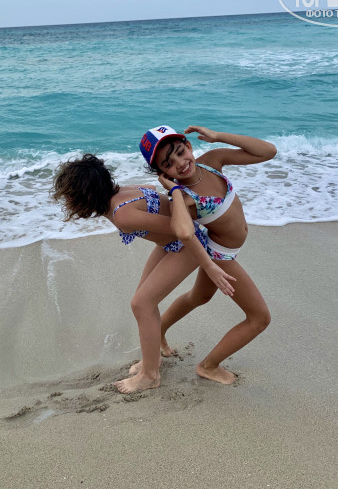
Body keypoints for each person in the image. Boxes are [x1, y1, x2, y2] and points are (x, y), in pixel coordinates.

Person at [52, 154, 237, 393]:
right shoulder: (123, 192)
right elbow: (150, 188)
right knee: (143, 303)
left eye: (69, 197)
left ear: (84, 197)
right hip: (169, 244)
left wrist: (209, 265)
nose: (67, 202)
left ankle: (150, 375)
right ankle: (154, 355)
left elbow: (181, 229)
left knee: (142, 304)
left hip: (188, 245)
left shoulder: (122, 214)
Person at [138, 125, 276, 385]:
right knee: (259, 318)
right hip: (220, 256)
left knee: (198, 297)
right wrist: (174, 191)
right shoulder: (183, 197)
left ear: (188, 145)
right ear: (162, 173)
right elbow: (183, 232)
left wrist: (218, 136)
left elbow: (268, 151)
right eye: (168, 164)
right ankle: (208, 366)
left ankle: (158, 332)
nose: (180, 163)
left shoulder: (211, 161)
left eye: (180, 152)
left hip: (227, 249)